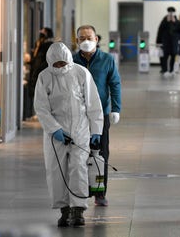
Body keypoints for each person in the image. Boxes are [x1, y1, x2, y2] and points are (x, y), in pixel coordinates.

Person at [33, 42, 104, 227]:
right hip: (56, 132)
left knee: (78, 168)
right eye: (56, 64)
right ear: (50, 62)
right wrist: (54, 129)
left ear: (69, 61)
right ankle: (64, 210)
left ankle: (78, 209)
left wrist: (96, 130)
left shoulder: (81, 73)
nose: (60, 67)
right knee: (56, 170)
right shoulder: (44, 77)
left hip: (80, 129)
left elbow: (93, 104)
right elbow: (41, 107)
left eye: (63, 64)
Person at [73, 25, 122, 207]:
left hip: (101, 114)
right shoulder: (71, 60)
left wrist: (116, 109)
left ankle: (100, 192)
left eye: (89, 37)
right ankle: (81, 190)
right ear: (77, 41)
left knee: (101, 153)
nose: (86, 41)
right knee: (78, 153)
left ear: (96, 39)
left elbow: (115, 84)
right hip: (77, 115)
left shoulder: (107, 59)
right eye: (82, 38)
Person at [28, 27, 54, 117]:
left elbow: (43, 59)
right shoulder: (39, 43)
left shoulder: (48, 44)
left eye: (43, 31)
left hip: (41, 71)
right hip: (36, 70)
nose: (41, 32)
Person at [156, 6, 180, 78]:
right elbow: (159, 31)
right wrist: (158, 42)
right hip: (165, 42)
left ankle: (172, 70)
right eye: (170, 12)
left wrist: (174, 22)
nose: (171, 14)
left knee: (173, 56)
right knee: (164, 57)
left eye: (172, 12)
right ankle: (165, 70)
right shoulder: (164, 20)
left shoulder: (177, 21)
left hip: (174, 43)